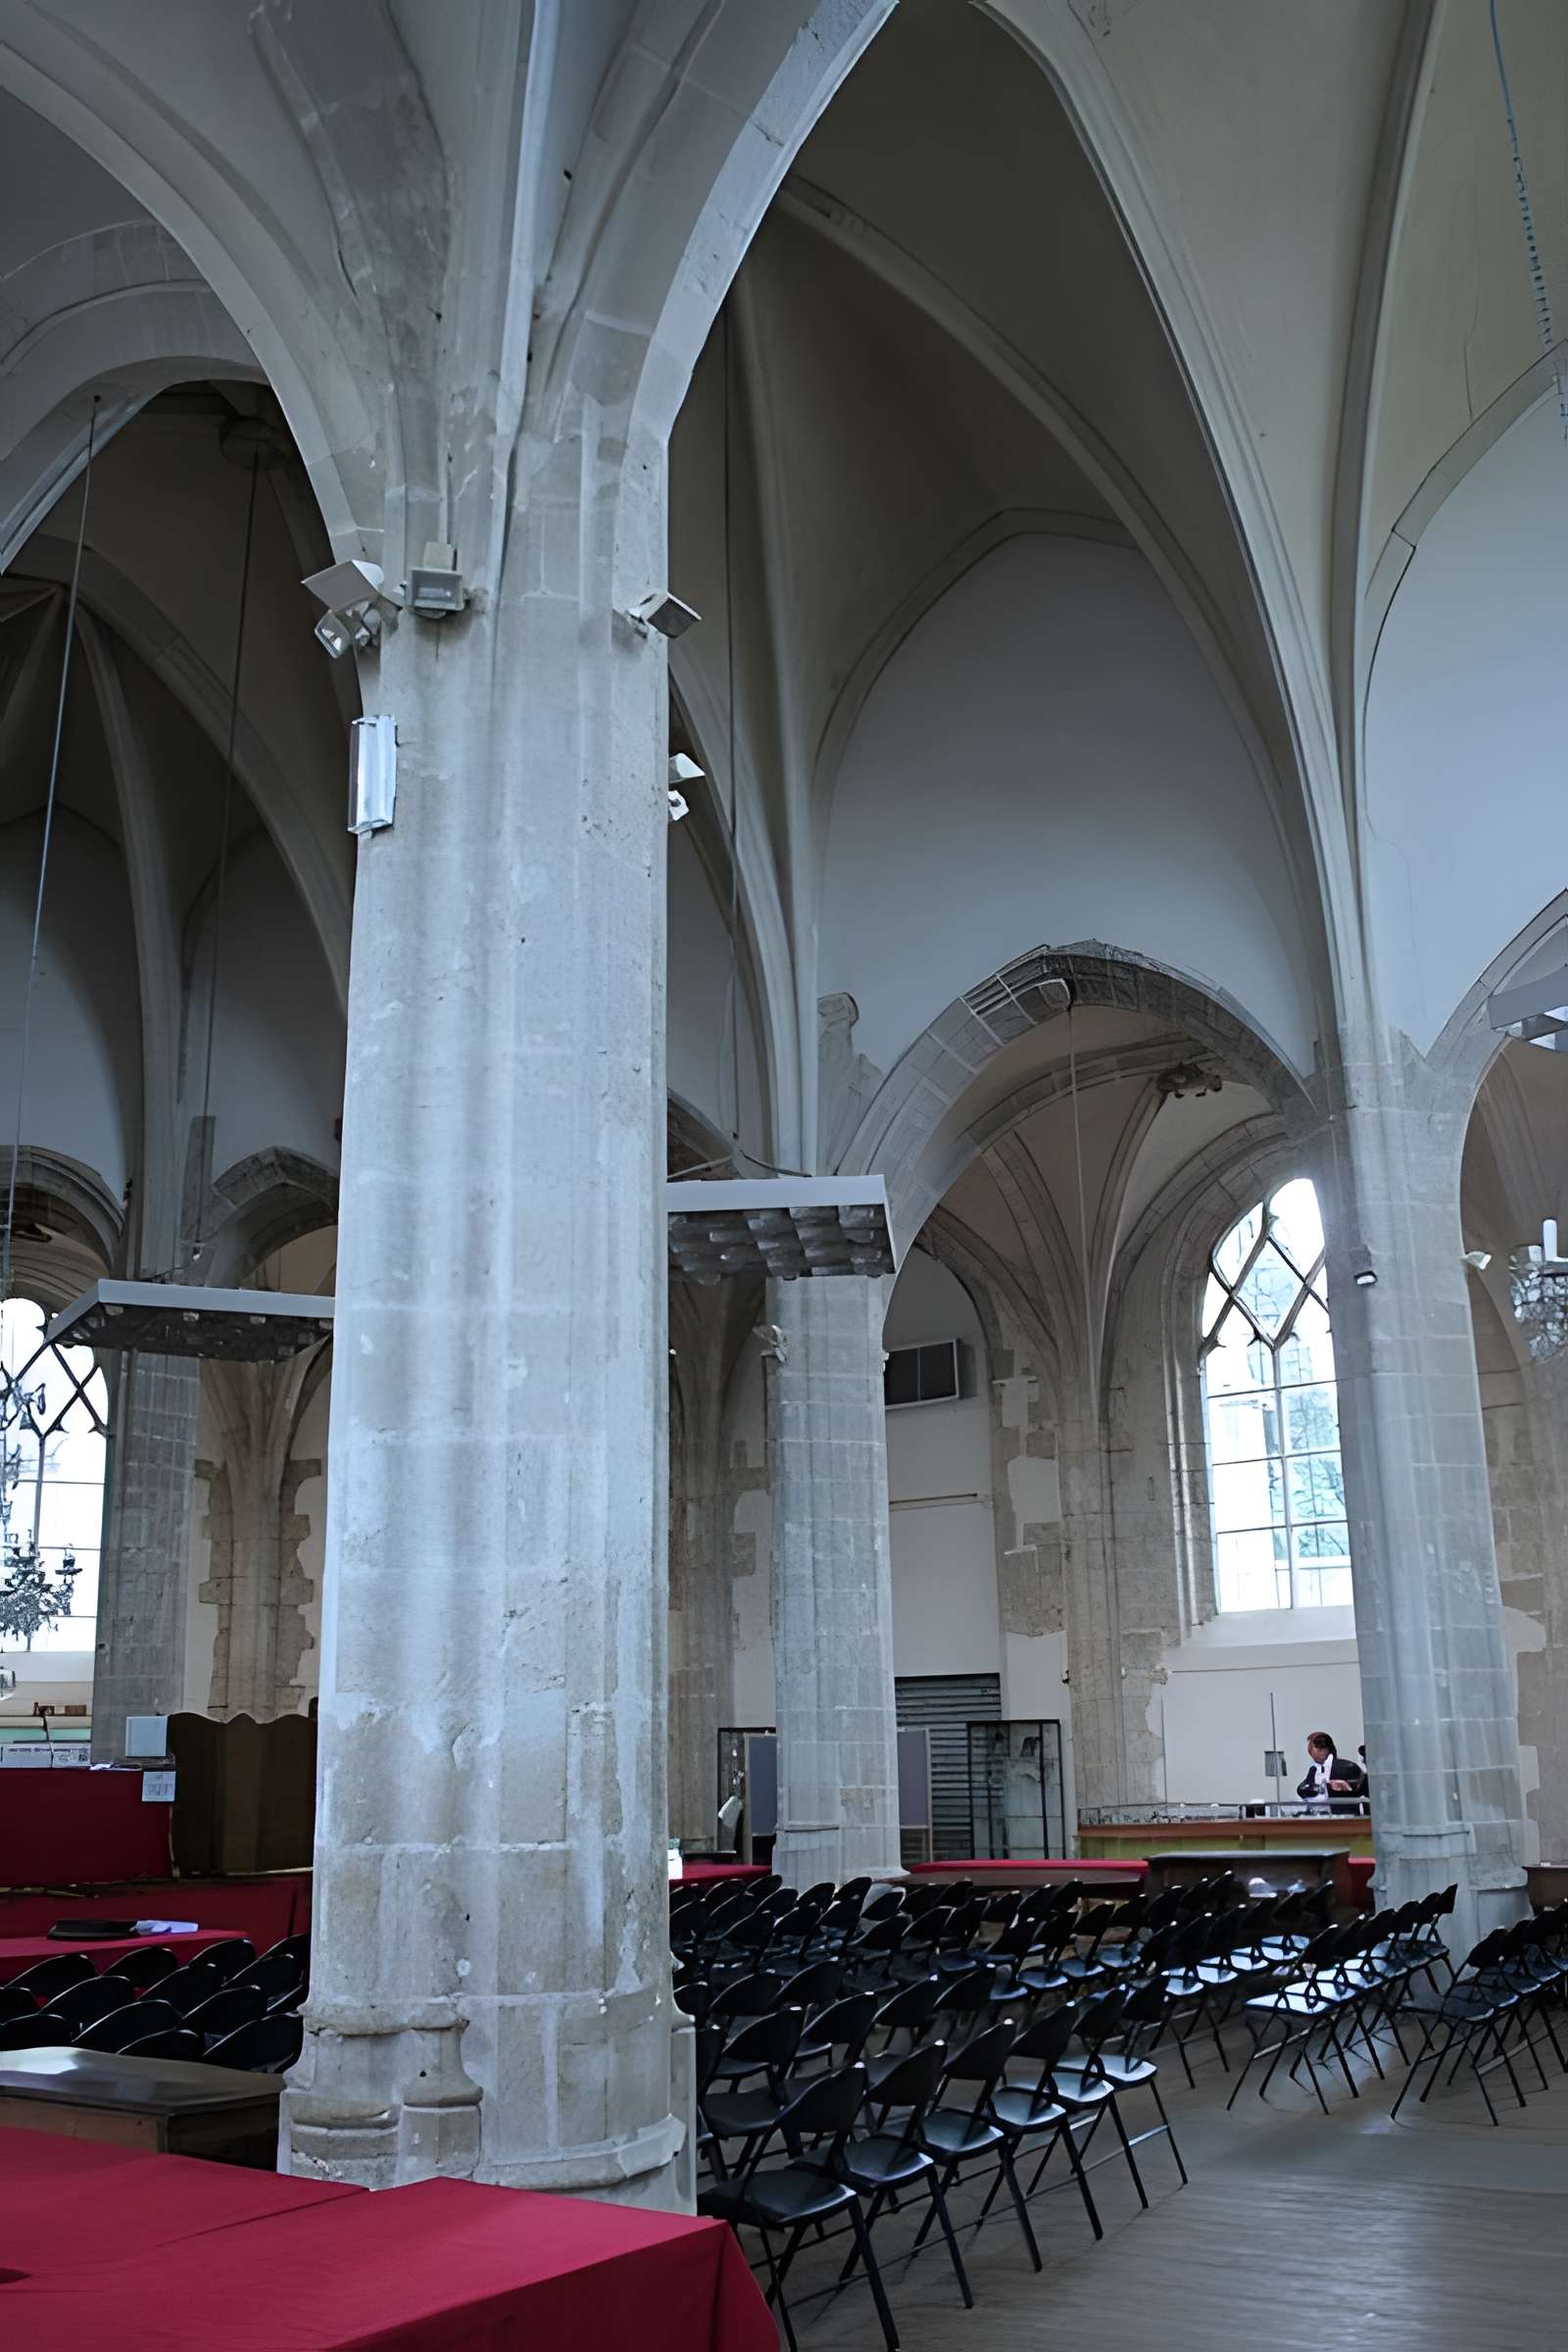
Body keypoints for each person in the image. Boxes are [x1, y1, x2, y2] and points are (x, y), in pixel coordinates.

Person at [1297, 1731, 1365, 1814]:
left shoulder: (1346, 1767)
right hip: (1318, 1817)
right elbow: (1304, 1789)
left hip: (1342, 1818)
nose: (1309, 1751)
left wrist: (1336, 1786)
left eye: (1311, 1747)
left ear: (1323, 1749)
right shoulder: (1313, 1769)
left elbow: (1359, 1787)